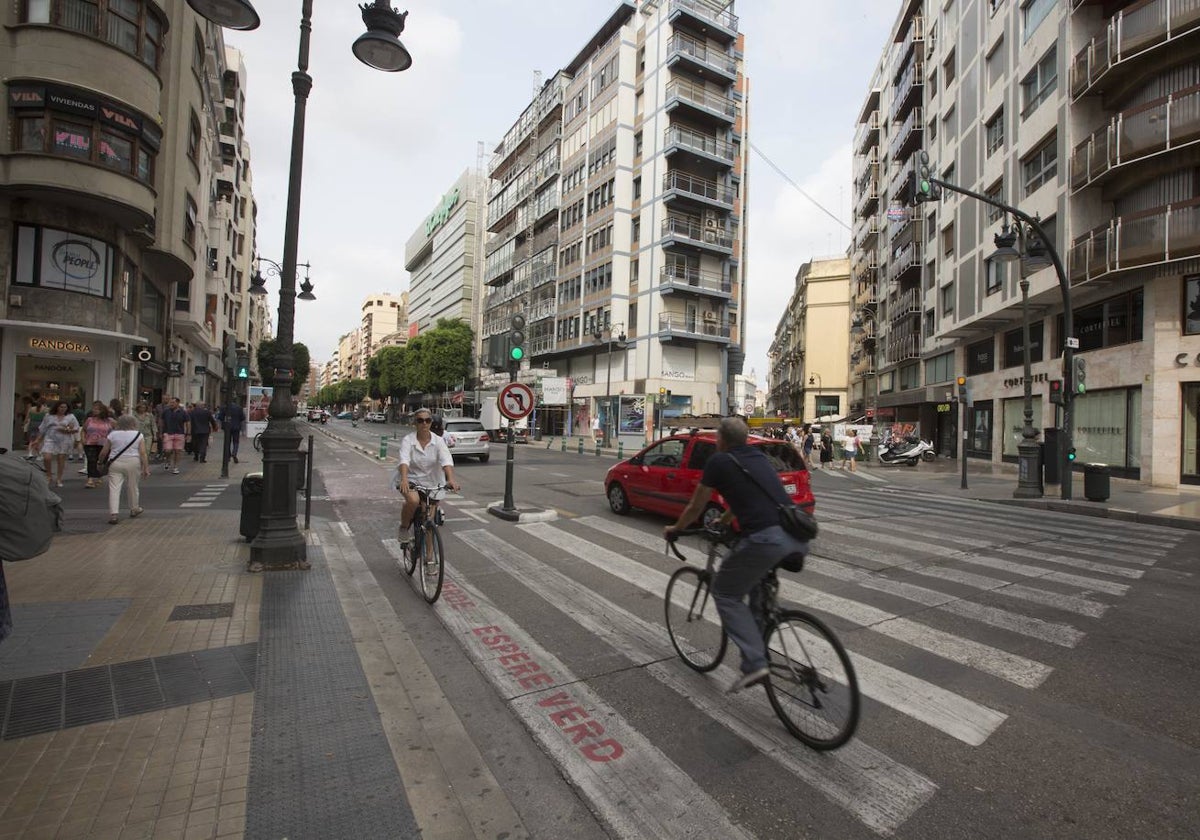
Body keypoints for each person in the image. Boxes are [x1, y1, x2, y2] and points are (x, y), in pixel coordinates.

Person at [663, 417, 809, 694]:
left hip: (766, 540)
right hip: (796, 536)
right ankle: (760, 648)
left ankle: (755, 663)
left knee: (725, 593)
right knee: (757, 594)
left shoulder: (719, 461)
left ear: (722, 440)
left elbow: (696, 506)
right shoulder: (759, 457)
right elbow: (751, 497)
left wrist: (675, 528)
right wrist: (726, 519)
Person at [395, 408, 460, 554]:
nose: (424, 424)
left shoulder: (438, 442)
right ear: (415, 423)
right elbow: (404, 460)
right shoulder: (408, 440)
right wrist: (404, 479)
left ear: (431, 423)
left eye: (427, 420)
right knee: (413, 500)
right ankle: (404, 528)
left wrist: (451, 480)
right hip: (411, 479)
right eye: (420, 420)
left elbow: (446, 461)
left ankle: (429, 559)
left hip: (432, 483)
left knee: (429, 522)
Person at [99, 414, 149, 525]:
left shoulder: (112, 435)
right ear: (133, 423)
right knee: (133, 486)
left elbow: (104, 452)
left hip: (115, 462)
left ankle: (113, 514)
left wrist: (100, 462)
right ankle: (134, 508)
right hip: (133, 461)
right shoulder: (138, 435)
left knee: (114, 488)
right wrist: (145, 467)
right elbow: (143, 453)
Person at [33, 401, 79, 488]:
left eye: (65, 407)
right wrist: (37, 440)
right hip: (50, 438)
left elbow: (76, 428)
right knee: (47, 457)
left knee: (61, 458)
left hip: (64, 439)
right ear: (57, 407)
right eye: (61, 407)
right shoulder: (49, 416)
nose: (63, 409)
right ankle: (49, 475)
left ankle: (59, 478)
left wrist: (67, 430)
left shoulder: (70, 417)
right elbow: (42, 428)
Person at [81, 402, 115, 489]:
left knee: (101, 460)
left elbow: (117, 429)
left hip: (104, 443)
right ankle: (90, 479)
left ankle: (99, 476)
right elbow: (84, 430)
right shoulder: (89, 420)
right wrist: (83, 439)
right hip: (90, 442)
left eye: (97, 409)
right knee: (91, 460)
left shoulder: (109, 421)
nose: (95, 411)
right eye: (94, 409)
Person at [159, 397, 190, 474]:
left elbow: (188, 422)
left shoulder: (183, 412)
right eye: (171, 402)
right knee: (167, 450)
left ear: (178, 403)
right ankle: (168, 459)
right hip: (168, 433)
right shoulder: (166, 411)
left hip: (179, 433)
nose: (171, 404)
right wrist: (160, 432)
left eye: (173, 402)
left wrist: (188, 433)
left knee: (178, 451)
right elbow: (161, 421)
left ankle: (176, 467)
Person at [217, 397, 246, 463]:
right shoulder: (239, 408)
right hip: (236, 427)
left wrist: (224, 422)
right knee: (236, 441)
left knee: (227, 441)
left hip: (227, 427)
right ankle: (234, 453)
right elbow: (242, 417)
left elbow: (220, 417)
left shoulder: (224, 407)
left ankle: (228, 455)